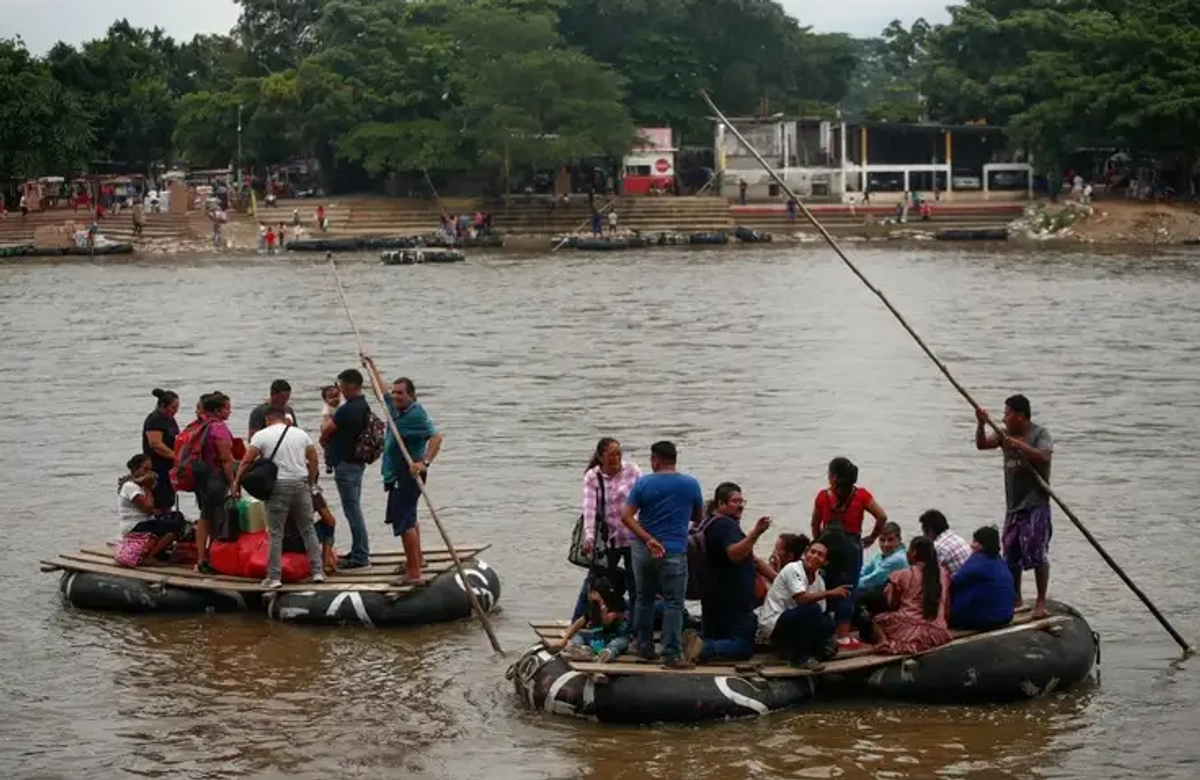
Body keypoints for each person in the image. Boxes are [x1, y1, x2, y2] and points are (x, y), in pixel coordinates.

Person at [621, 441, 705, 669]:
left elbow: (626, 517)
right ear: (674, 459)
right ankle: (671, 654)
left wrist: (648, 539)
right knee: (674, 602)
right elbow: (699, 516)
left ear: (655, 460)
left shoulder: (644, 483)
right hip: (673, 550)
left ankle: (644, 646)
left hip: (644, 550)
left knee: (644, 599)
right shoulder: (690, 484)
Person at [363, 357, 443, 584]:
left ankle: (414, 573)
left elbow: (436, 437)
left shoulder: (416, 413)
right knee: (410, 517)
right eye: (395, 393)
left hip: (408, 474)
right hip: (394, 473)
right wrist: (371, 365)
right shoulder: (394, 409)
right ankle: (417, 560)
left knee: (404, 522)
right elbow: (381, 391)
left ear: (411, 395)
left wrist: (424, 462)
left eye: (401, 393)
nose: (396, 396)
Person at [975, 394, 1054, 617]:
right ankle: (1016, 598)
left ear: (1020, 416)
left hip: (1036, 503)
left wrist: (1019, 445)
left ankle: (1041, 602)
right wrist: (981, 424)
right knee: (1011, 551)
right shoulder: (1004, 435)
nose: (1004, 418)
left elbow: (1044, 456)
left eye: (1007, 413)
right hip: (1014, 505)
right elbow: (982, 445)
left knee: (1037, 552)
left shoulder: (1039, 434)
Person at [232, 406, 325, 588]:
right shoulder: (301, 434)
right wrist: (311, 481)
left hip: (278, 487)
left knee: (276, 533)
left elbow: (246, 462)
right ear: (284, 418)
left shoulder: (261, 436)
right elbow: (313, 459)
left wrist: (236, 484)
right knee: (308, 529)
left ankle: (274, 577)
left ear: (267, 419)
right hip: (301, 484)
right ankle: (317, 572)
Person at [683, 482, 773, 665]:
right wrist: (756, 533)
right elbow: (735, 554)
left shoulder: (706, 521)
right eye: (735, 501)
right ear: (721, 504)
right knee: (743, 646)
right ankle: (704, 649)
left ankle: (695, 642)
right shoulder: (725, 526)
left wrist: (777, 579)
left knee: (716, 633)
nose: (740, 505)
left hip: (713, 594)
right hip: (732, 598)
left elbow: (751, 558)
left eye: (742, 501)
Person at [811, 456, 888, 651]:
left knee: (825, 584)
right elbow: (882, 516)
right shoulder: (861, 495)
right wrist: (872, 537)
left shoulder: (823, 497)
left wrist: (820, 544)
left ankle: (823, 630)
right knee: (848, 589)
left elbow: (815, 524)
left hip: (828, 546)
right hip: (852, 546)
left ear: (833, 476)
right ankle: (844, 637)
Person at [573, 438, 643, 621]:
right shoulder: (593, 477)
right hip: (608, 539)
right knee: (594, 581)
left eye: (618, 454)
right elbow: (589, 508)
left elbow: (644, 499)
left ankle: (634, 627)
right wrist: (589, 536)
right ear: (601, 456)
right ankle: (578, 620)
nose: (616, 458)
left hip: (632, 536)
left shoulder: (632, 471)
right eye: (611, 455)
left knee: (635, 583)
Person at [757, 538, 844, 669]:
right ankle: (799, 658)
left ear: (825, 562)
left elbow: (820, 615)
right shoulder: (793, 569)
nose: (815, 556)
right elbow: (802, 599)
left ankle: (801, 649)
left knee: (828, 623)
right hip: (774, 622)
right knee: (812, 609)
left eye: (820, 555)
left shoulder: (819, 581)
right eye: (812, 552)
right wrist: (830, 593)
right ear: (805, 554)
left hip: (796, 622)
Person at [321, 369, 373, 569]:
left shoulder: (348, 408)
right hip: (357, 463)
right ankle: (359, 549)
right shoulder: (363, 406)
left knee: (352, 510)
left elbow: (327, 429)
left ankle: (360, 556)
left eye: (341, 385)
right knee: (355, 508)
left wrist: (324, 441)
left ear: (351, 385)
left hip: (345, 464)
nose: (340, 390)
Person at [871, 536, 952, 655]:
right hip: (938, 630)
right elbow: (947, 604)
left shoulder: (902, 575)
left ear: (913, 553)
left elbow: (892, 603)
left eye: (909, 550)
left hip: (912, 629)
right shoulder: (943, 573)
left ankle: (883, 642)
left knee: (877, 620)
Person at [194, 392, 236, 574]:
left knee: (205, 517)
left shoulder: (202, 425)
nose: (230, 411)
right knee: (219, 520)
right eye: (227, 408)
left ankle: (202, 558)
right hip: (217, 479)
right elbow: (226, 459)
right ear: (218, 411)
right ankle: (213, 559)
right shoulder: (219, 428)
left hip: (202, 477)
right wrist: (233, 483)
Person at [117, 454, 187, 564]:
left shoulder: (140, 487)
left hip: (145, 521)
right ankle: (151, 556)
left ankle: (159, 551)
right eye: (145, 469)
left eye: (150, 469)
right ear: (135, 469)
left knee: (177, 517)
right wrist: (148, 488)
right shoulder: (130, 486)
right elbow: (148, 508)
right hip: (134, 525)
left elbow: (151, 509)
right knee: (174, 524)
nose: (148, 473)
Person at [551, 574, 630, 664]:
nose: (587, 594)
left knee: (618, 643)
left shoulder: (616, 605)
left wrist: (601, 603)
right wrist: (564, 640)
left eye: (589, 591)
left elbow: (605, 622)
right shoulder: (592, 606)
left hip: (614, 635)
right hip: (599, 635)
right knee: (579, 636)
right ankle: (580, 649)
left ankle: (607, 653)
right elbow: (579, 622)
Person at [950, 526, 1016, 631]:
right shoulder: (1000, 561)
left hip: (985, 620)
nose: (971, 545)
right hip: (1006, 616)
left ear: (983, 546)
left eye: (975, 542)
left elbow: (955, 582)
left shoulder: (977, 560)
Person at [142, 388, 180, 511]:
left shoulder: (170, 419)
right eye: (173, 407)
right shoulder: (155, 419)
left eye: (177, 407)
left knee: (169, 498)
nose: (175, 411)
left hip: (168, 466)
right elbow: (155, 444)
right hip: (157, 466)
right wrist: (176, 456)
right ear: (163, 406)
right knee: (160, 500)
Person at [858, 521, 908, 592]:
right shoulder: (881, 555)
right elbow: (865, 570)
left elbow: (870, 581)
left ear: (899, 539)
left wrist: (847, 585)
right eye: (882, 540)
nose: (886, 544)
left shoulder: (898, 559)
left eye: (890, 540)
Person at [919, 509, 972, 575]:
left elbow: (928, 573)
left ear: (930, 531)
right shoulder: (959, 539)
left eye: (924, 532)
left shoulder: (938, 547)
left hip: (959, 583)